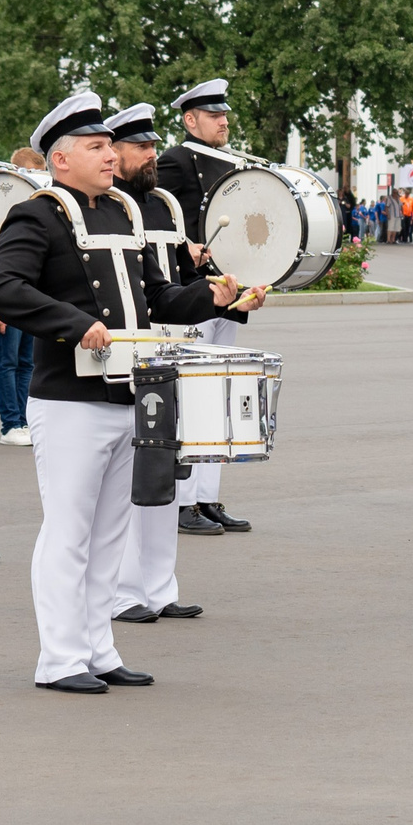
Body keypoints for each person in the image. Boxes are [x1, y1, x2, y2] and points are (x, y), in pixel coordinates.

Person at [0, 90, 254, 692]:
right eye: (96, 147)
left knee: (109, 534)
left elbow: (156, 297)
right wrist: (76, 325)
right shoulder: (37, 214)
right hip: (67, 400)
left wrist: (212, 296)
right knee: (68, 532)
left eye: (111, 146)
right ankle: (58, 658)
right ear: (60, 159)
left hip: (128, 394)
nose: (111, 157)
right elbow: (3, 287)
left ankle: (98, 648)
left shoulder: (124, 212)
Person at [105, 104, 213, 623]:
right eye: (140, 147)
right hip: (131, 353)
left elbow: (167, 284)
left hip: (173, 348)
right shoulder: (110, 206)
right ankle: (125, 591)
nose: (151, 154)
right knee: (134, 474)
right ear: (116, 151)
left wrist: (209, 284)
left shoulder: (165, 203)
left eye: (153, 145)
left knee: (169, 468)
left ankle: (160, 587)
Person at [153, 79, 255, 533]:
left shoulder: (232, 163)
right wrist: (184, 250)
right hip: (193, 292)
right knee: (192, 397)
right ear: (190, 120)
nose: (224, 121)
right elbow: (160, 223)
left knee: (219, 397)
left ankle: (207, 498)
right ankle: (181, 501)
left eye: (224, 114)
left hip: (228, 291)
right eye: (214, 115)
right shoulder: (174, 162)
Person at [0, 146, 47, 446]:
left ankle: (25, 420)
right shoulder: (3, 209)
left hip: (30, 298)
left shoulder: (37, 208)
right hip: (8, 301)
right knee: (7, 362)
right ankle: (10, 423)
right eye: (31, 176)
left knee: (27, 362)